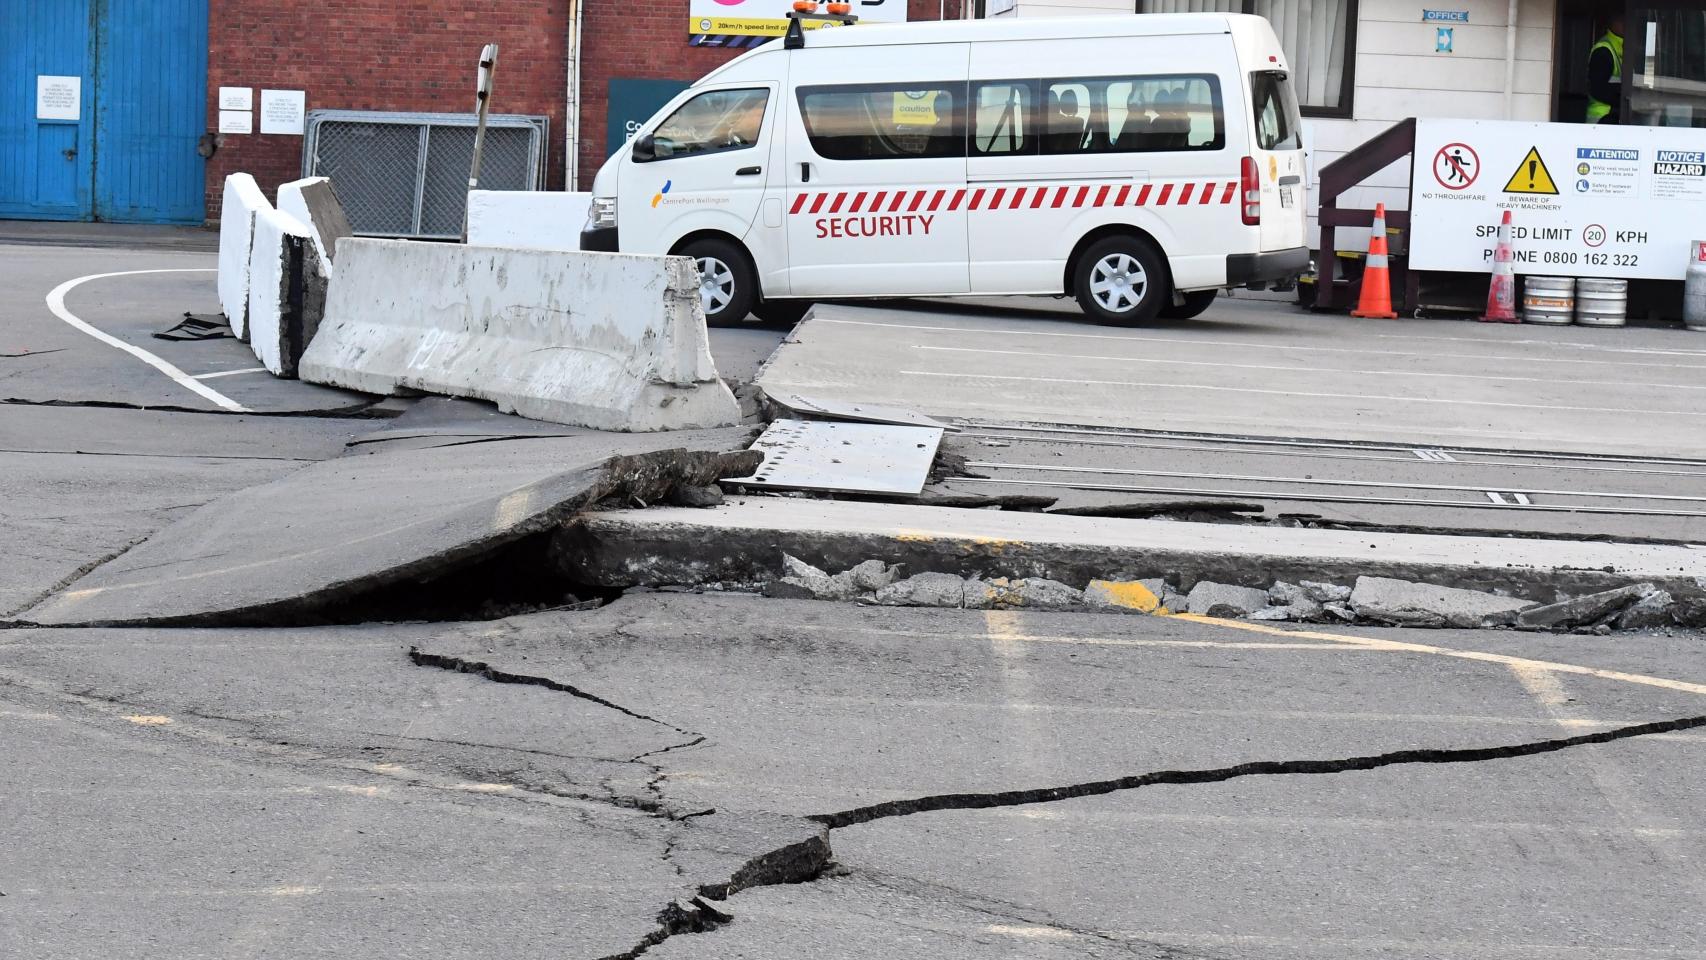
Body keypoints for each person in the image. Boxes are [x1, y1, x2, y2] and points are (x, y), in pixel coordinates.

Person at [1586, 13, 1624, 124]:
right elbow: (1597, 88)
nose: (1626, 25)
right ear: (1613, 23)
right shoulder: (1603, 50)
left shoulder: (1621, 47)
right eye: (1622, 20)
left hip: (1611, 115)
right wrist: (1622, 100)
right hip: (1602, 118)